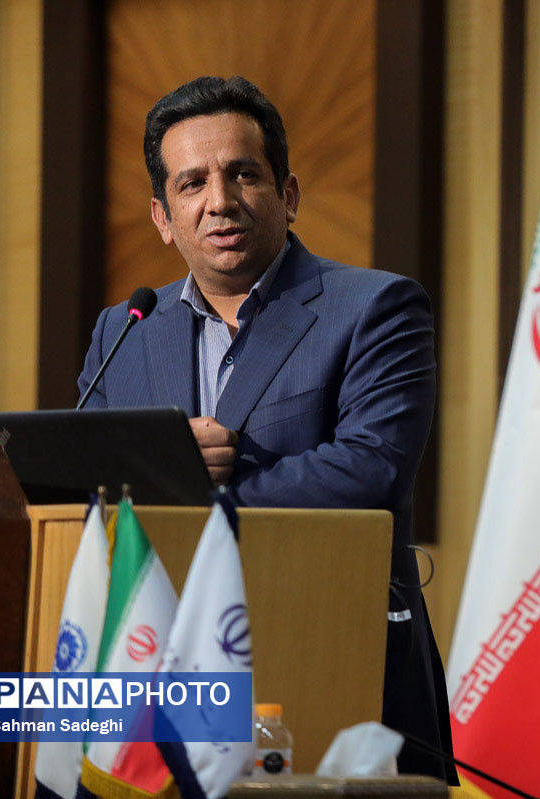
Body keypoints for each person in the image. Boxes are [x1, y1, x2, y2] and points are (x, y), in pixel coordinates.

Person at [76, 76, 455, 783]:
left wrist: (198, 499)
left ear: (289, 195)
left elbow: (370, 467)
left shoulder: (375, 307)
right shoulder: (124, 329)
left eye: (243, 174)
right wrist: (162, 466)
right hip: (157, 674)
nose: (219, 200)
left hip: (331, 655)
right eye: (192, 183)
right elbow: (82, 478)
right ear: (163, 217)